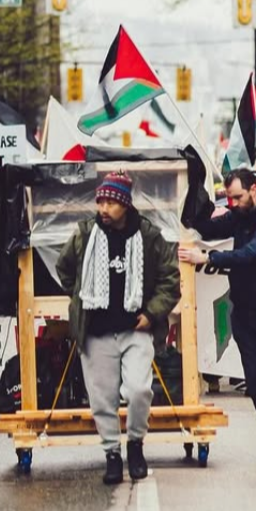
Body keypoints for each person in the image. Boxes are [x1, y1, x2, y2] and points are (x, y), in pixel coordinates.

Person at [57, 171, 181, 484]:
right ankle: (112, 454)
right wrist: (83, 298)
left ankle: (136, 444)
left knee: (139, 390)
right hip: (96, 331)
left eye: (110, 202)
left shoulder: (149, 236)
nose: (103, 208)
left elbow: (170, 279)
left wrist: (152, 314)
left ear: (124, 205)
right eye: (100, 201)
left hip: (135, 329)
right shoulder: (85, 233)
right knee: (102, 398)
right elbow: (64, 268)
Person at [180, 168, 256, 464]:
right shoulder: (240, 215)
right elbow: (207, 228)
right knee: (255, 381)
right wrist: (196, 193)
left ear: (254, 188)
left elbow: (253, 253)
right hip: (244, 311)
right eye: (229, 198)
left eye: (238, 197)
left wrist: (208, 258)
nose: (233, 203)